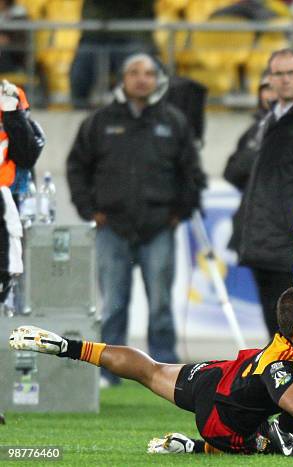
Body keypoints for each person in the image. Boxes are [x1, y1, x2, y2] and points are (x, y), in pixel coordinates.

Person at [9, 287, 293, 456]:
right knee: (271, 438)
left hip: (221, 373)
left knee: (150, 370)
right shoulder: (279, 364)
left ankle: (67, 346)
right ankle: (204, 445)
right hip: (221, 417)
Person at [66, 53, 206, 385]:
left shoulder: (174, 120)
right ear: (122, 79)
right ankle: (107, 371)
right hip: (111, 226)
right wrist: (89, 209)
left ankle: (167, 370)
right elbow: (77, 168)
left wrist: (179, 212)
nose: (141, 79)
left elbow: (192, 172)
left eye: (148, 73)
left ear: (158, 79)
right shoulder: (99, 121)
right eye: (133, 72)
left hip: (159, 225)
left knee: (160, 303)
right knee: (113, 303)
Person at [235, 48, 293, 337]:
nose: (284, 80)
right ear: (269, 80)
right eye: (277, 74)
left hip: (292, 242)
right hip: (263, 241)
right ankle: (287, 383)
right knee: (277, 332)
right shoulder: (268, 119)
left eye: (291, 73)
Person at [0, 79, 44, 304]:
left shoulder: (10, 95)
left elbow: (27, 155)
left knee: (8, 279)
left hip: (7, 202)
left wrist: (12, 114)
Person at [223, 70, 277, 254]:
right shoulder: (254, 131)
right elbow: (231, 173)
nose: (272, 95)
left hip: (289, 229)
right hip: (254, 226)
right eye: (267, 88)